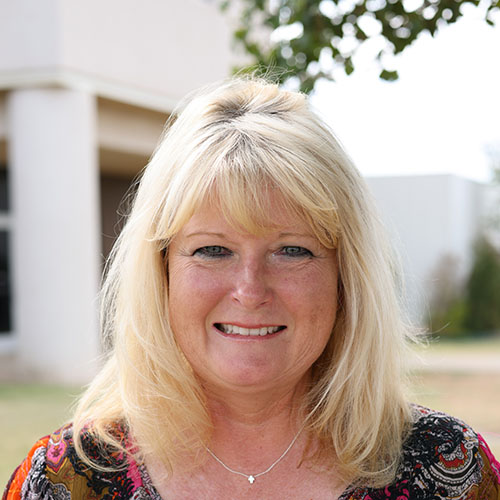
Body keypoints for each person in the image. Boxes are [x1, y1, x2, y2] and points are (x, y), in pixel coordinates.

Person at [3, 78, 500, 500]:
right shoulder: (64, 481)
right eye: (212, 250)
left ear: (345, 275)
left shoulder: (449, 472)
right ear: (162, 272)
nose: (250, 290)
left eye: (292, 250)